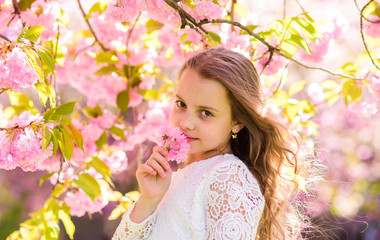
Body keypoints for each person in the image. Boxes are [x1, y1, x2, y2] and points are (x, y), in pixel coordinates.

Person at [112, 47, 307, 240]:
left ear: (238, 122)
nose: (185, 123)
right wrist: (149, 199)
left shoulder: (228, 177)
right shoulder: (178, 178)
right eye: (181, 104)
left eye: (206, 113)